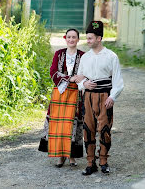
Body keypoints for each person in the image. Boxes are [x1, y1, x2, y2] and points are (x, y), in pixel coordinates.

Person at [76, 20, 124, 175]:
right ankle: (91, 163)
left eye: (90, 38)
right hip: (88, 98)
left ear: (99, 38)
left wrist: (113, 97)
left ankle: (103, 161)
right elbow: (79, 79)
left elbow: (117, 81)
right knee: (88, 129)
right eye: (87, 37)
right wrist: (84, 84)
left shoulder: (111, 56)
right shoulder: (85, 57)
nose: (87, 41)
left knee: (104, 129)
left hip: (104, 97)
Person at [38, 28, 85, 167]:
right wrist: (69, 79)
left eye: (74, 37)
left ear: (78, 39)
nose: (71, 39)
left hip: (76, 93)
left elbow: (87, 72)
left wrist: (80, 78)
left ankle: (71, 156)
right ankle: (59, 155)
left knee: (72, 123)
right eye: (69, 37)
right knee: (59, 125)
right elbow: (53, 71)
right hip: (60, 92)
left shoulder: (83, 55)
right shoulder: (59, 54)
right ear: (65, 38)